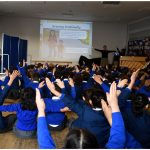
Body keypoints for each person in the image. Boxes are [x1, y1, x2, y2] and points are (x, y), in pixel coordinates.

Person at [36, 81, 126, 148]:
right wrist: (114, 105)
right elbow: (118, 134)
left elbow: (71, 102)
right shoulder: (109, 117)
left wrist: (41, 109)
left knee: (71, 121)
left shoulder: (85, 110)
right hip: (101, 140)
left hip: (76, 124)